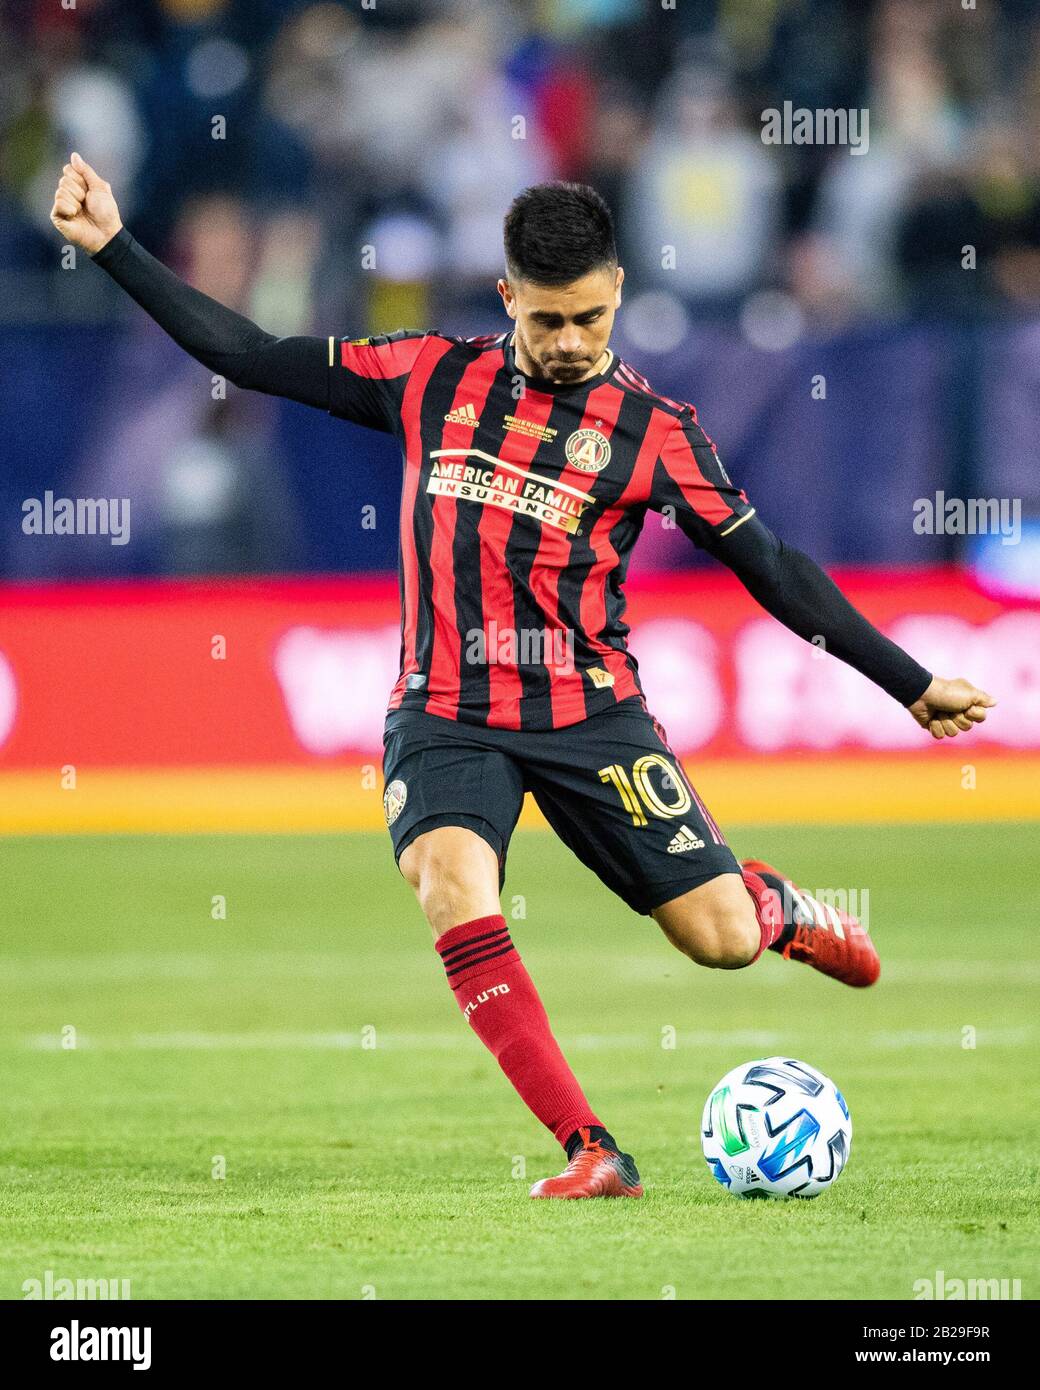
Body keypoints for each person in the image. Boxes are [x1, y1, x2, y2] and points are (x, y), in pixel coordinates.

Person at [51, 157, 995, 1200]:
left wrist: (906, 682)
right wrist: (112, 246)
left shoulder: (656, 433)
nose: (567, 343)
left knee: (716, 941)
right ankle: (590, 1146)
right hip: (445, 712)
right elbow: (250, 352)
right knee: (449, 884)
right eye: (546, 320)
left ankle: (772, 907)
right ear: (507, 297)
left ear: (618, 292)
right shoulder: (426, 374)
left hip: (591, 713)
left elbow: (770, 566)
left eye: (587, 318)